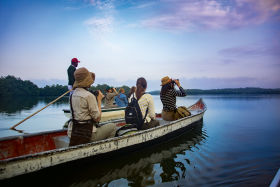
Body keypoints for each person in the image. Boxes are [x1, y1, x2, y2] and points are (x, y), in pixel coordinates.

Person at [68, 67, 116, 146]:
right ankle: (106, 149)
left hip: (72, 133)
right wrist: (99, 100)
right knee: (113, 127)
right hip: (87, 134)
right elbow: (97, 118)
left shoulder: (72, 95)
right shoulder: (89, 96)